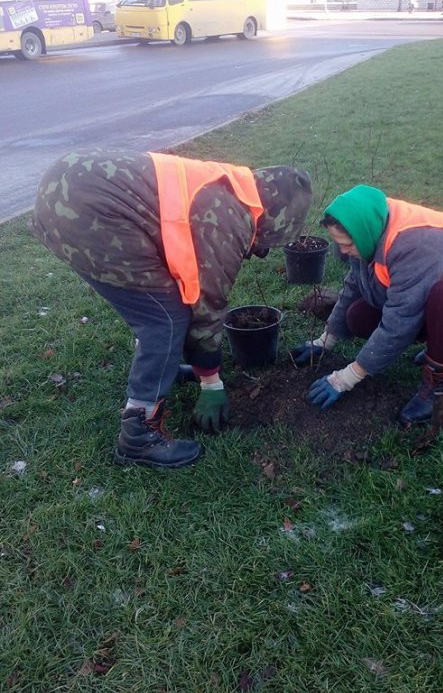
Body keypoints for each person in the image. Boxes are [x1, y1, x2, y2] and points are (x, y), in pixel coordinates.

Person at [31, 150, 312, 468]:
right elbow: (208, 303)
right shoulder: (227, 219)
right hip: (90, 209)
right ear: (278, 217)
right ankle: (139, 432)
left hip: (68, 186)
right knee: (163, 317)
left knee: (152, 301)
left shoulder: (233, 184)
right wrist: (211, 380)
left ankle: (159, 365)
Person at [291, 185, 443, 427]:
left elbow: (400, 320)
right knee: (358, 316)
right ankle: (439, 344)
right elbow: (353, 286)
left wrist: (347, 377)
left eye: (347, 245)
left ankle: (438, 387)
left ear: (364, 233)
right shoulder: (371, 225)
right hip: (431, 294)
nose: (343, 251)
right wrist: (327, 339)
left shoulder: (415, 244)